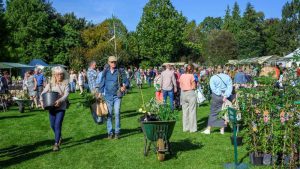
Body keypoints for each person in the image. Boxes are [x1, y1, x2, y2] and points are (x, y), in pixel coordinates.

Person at [40, 66, 69, 151]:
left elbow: (66, 95)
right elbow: (43, 93)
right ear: (54, 75)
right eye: (58, 74)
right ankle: (59, 136)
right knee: (52, 125)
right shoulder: (50, 84)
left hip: (61, 107)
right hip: (51, 107)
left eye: (61, 74)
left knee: (57, 124)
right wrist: (42, 102)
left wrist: (60, 100)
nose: (60, 76)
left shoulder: (66, 84)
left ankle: (56, 144)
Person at [100, 56, 128, 139]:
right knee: (109, 115)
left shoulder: (120, 71)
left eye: (115, 62)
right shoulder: (105, 72)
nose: (113, 63)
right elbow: (102, 83)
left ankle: (117, 132)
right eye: (112, 62)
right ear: (108, 62)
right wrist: (99, 93)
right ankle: (110, 132)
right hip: (108, 96)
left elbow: (126, 81)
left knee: (117, 113)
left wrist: (124, 86)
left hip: (117, 96)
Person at [202, 66, 233, 135]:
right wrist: (225, 95)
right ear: (223, 70)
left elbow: (213, 88)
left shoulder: (213, 77)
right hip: (225, 97)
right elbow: (230, 87)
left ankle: (208, 129)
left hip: (216, 96)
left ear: (216, 70)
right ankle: (222, 130)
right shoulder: (227, 77)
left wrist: (220, 94)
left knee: (213, 112)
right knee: (223, 111)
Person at [179, 64, 197, 132]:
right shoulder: (191, 76)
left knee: (185, 111)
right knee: (192, 111)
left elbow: (180, 85)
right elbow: (194, 86)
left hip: (183, 93)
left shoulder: (182, 75)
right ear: (192, 69)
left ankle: (185, 128)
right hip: (190, 93)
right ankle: (192, 129)